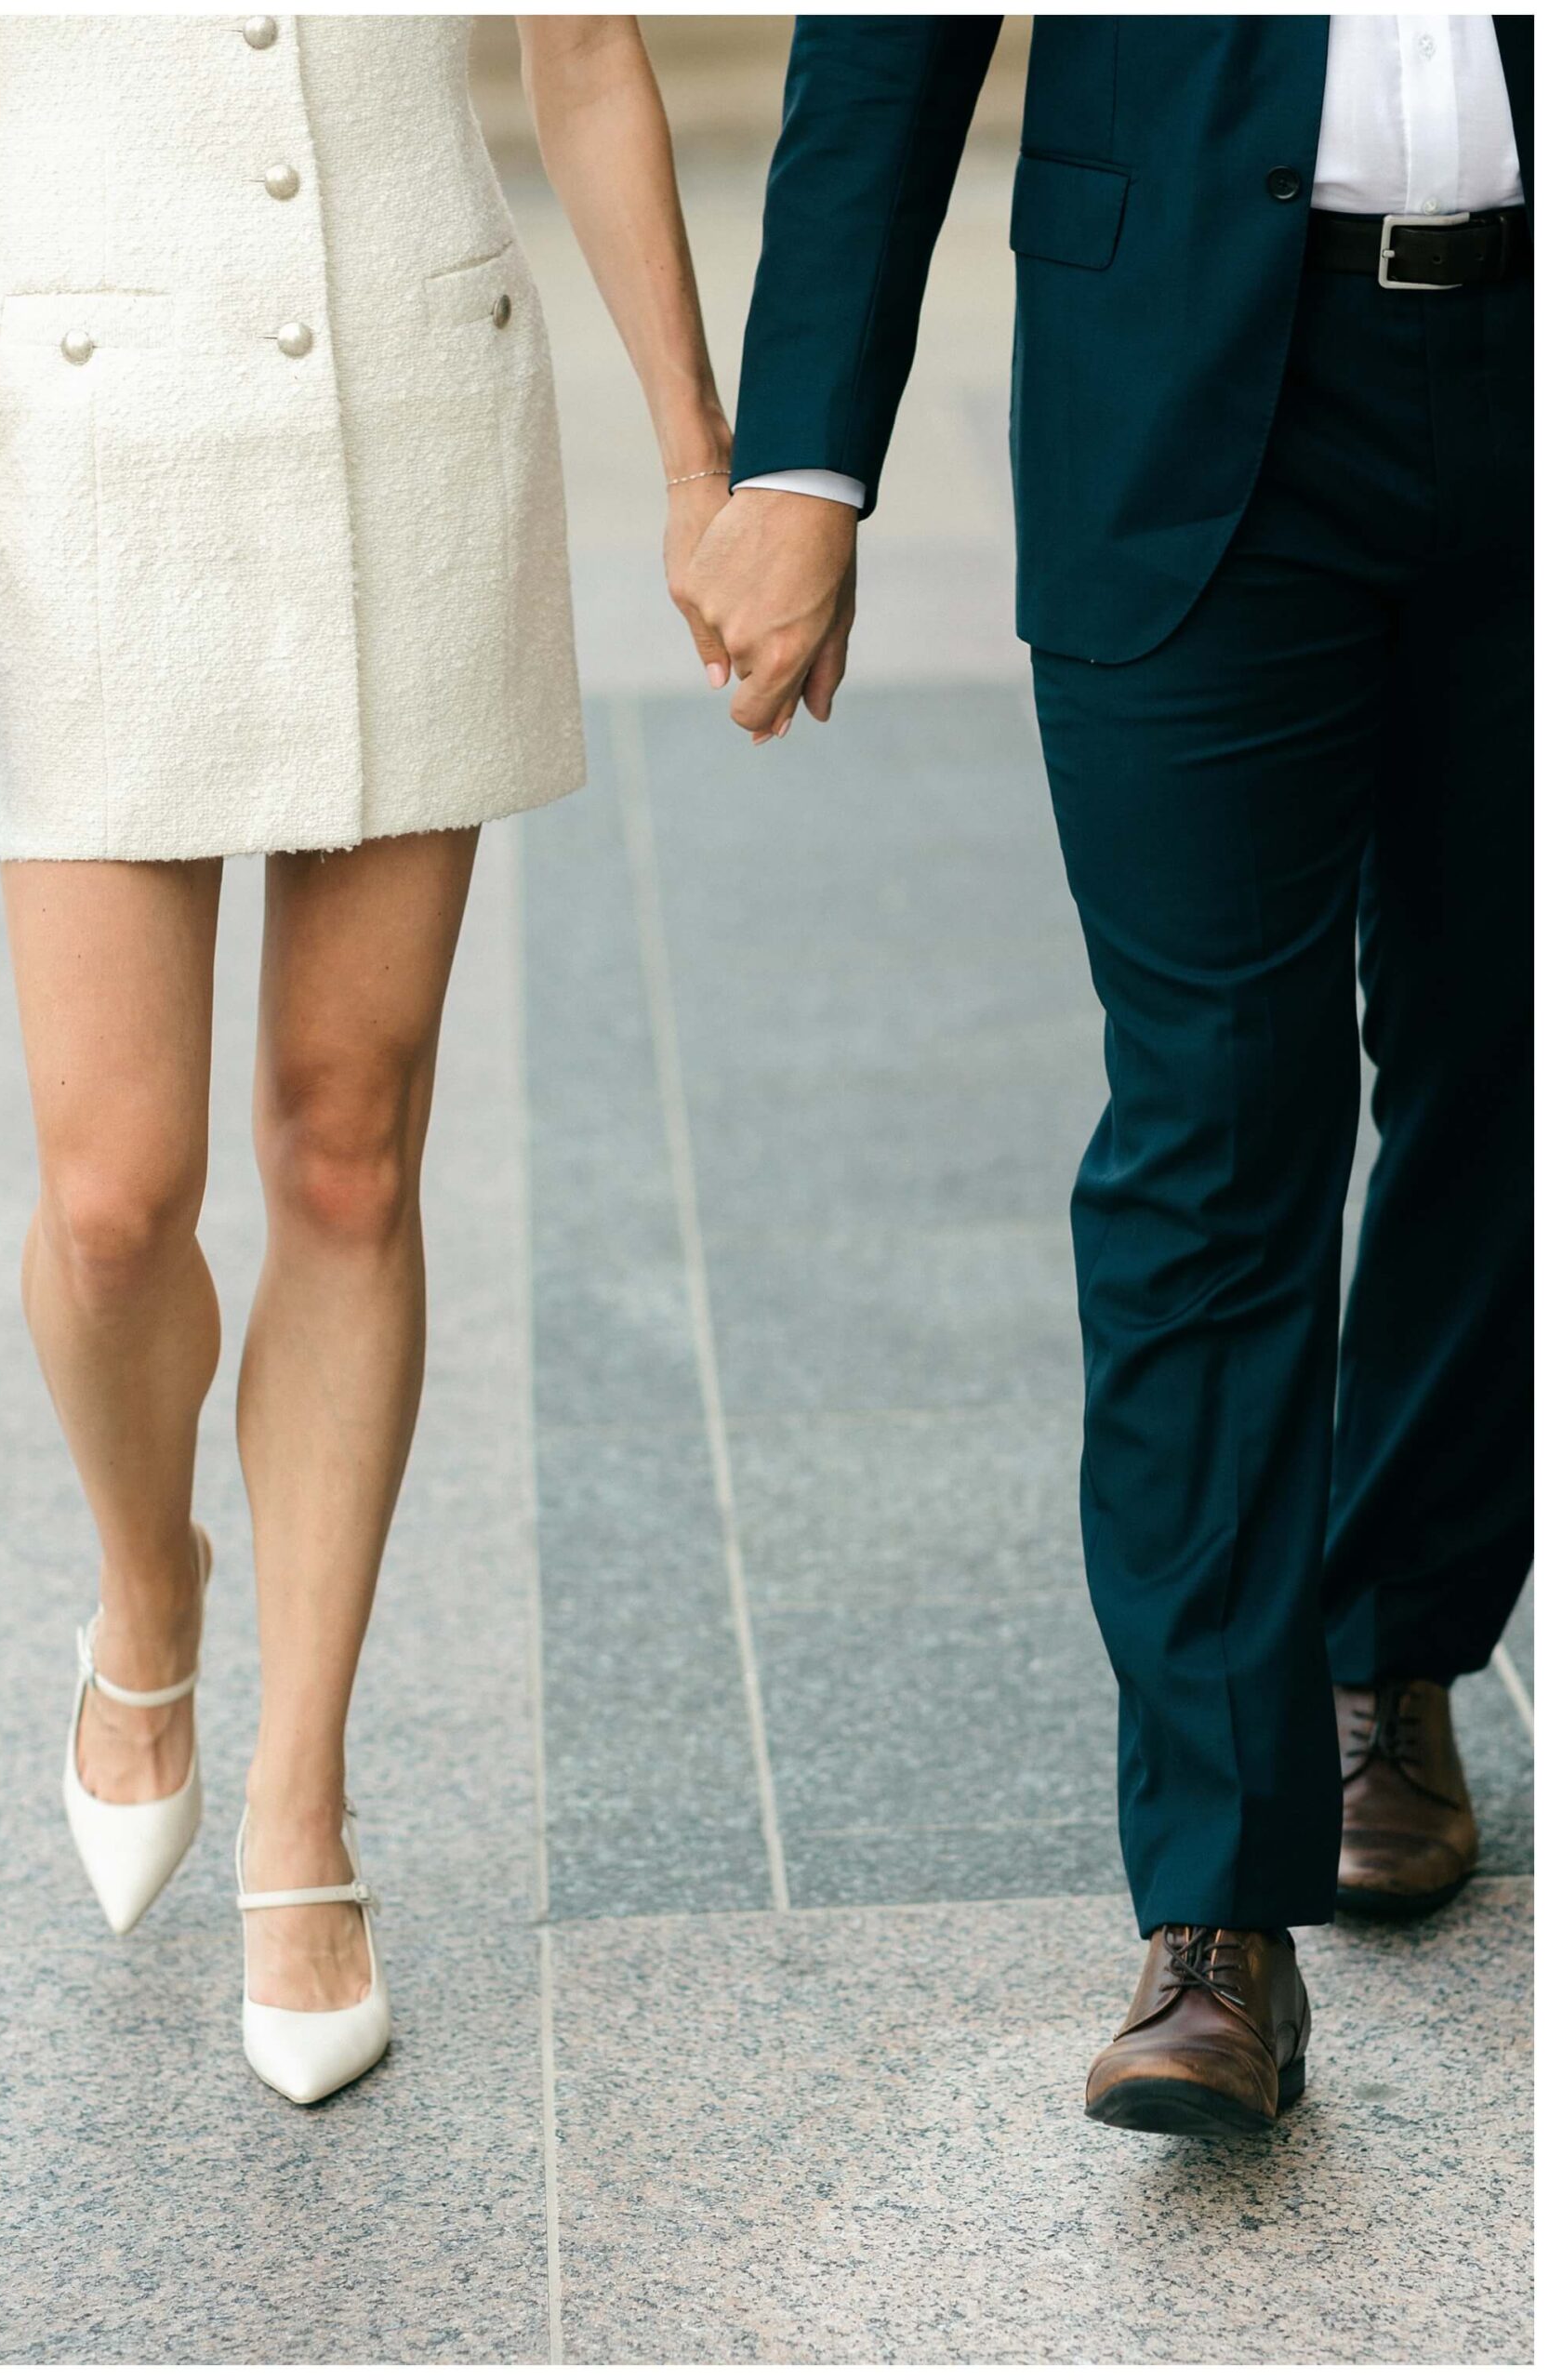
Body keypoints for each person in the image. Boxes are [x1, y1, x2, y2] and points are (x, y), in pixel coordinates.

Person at [684, 14, 1531, 2139]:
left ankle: (1393, 1650)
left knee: (1497, 1052)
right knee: (1212, 1122)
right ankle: (1212, 1914)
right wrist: (800, 454)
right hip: (1179, 370)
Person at [0, 11, 731, 2106]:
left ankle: (299, 1797)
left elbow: (578, 46)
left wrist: (695, 464)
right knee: (115, 1196)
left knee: (344, 1150)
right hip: (85, 432)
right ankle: (151, 1585)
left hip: (410, 409)